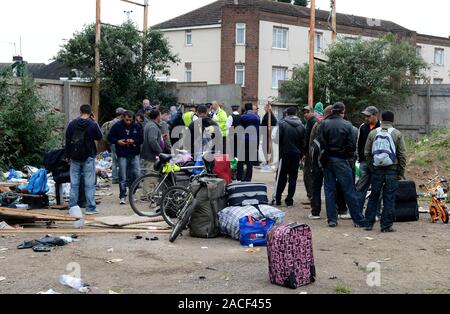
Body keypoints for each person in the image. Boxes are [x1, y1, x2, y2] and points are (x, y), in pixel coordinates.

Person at [318, 102, 366, 228]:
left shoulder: (324, 124)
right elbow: (351, 145)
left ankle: (332, 220)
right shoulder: (347, 125)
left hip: (328, 159)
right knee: (349, 190)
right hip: (342, 160)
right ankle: (358, 219)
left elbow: (321, 142)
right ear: (343, 111)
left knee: (329, 190)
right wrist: (347, 156)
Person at [364, 111, 407, 233]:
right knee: (389, 197)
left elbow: (366, 153)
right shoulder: (397, 134)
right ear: (393, 121)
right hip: (392, 171)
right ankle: (386, 226)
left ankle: (368, 223)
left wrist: (371, 167)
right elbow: (402, 155)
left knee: (374, 196)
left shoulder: (373, 133)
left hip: (377, 170)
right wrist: (401, 171)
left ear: (381, 119)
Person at [65, 104, 103, 215]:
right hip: (88, 157)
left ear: (80, 111)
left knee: (74, 183)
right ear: (90, 112)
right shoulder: (92, 124)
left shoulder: (72, 124)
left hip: (75, 157)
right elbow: (100, 137)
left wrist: (67, 156)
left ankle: (72, 207)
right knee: (89, 184)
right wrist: (95, 121)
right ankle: (90, 208)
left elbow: (67, 141)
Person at [108, 111, 143, 205]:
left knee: (136, 174)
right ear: (123, 117)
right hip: (122, 153)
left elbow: (141, 139)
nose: (128, 121)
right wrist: (117, 141)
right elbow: (110, 137)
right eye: (127, 119)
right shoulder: (117, 126)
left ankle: (132, 193)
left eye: (130, 120)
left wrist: (134, 141)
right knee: (122, 176)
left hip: (134, 153)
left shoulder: (137, 126)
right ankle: (122, 195)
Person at [274, 106, 306, 207]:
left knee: (281, 177)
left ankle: (278, 199)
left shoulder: (282, 124)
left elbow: (276, 139)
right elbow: (303, 142)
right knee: (293, 178)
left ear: (287, 114)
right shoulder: (302, 126)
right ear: (296, 114)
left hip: (284, 154)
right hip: (296, 155)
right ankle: (289, 200)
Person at [308, 105, 333, 220]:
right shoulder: (335, 125)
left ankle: (315, 211)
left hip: (317, 160)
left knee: (316, 186)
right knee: (331, 186)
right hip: (330, 161)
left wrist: (311, 158)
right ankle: (334, 211)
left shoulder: (317, 125)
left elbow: (311, 143)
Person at [356, 106, 381, 214]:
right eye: (365, 116)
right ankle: (358, 213)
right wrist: (360, 159)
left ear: (375, 115)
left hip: (378, 163)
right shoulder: (363, 127)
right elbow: (359, 144)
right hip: (364, 162)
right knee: (361, 188)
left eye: (368, 116)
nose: (366, 118)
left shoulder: (382, 127)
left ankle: (376, 213)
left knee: (377, 189)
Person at [186, 105, 219, 169]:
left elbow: (187, 140)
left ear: (197, 112)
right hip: (211, 153)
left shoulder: (192, 124)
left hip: (196, 153)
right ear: (206, 112)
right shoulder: (214, 124)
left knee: (197, 172)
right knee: (210, 172)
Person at [236, 103, 260, 182]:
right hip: (253, 140)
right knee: (250, 161)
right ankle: (248, 178)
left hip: (244, 140)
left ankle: (239, 178)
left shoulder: (242, 117)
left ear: (245, 109)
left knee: (241, 160)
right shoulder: (257, 118)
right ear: (252, 109)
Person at [101, 107, 125, 184]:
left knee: (114, 161)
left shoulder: (110, 122)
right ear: (121, 114)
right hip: (119, 143)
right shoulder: (121, 123)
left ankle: (114, 178)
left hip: (112, 144)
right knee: (121, 160)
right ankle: (121, 178)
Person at [301, 105, 319, 203]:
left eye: (307, 112)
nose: (305, 114)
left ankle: (311, 196)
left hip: (311, 153)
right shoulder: (309, 122)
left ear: (312, 112)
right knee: (308, 174)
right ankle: (311, 195)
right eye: (304, 113)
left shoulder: (313, 122)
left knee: (308, 174)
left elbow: (309, 139)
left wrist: (306, 153)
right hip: (309, 152)